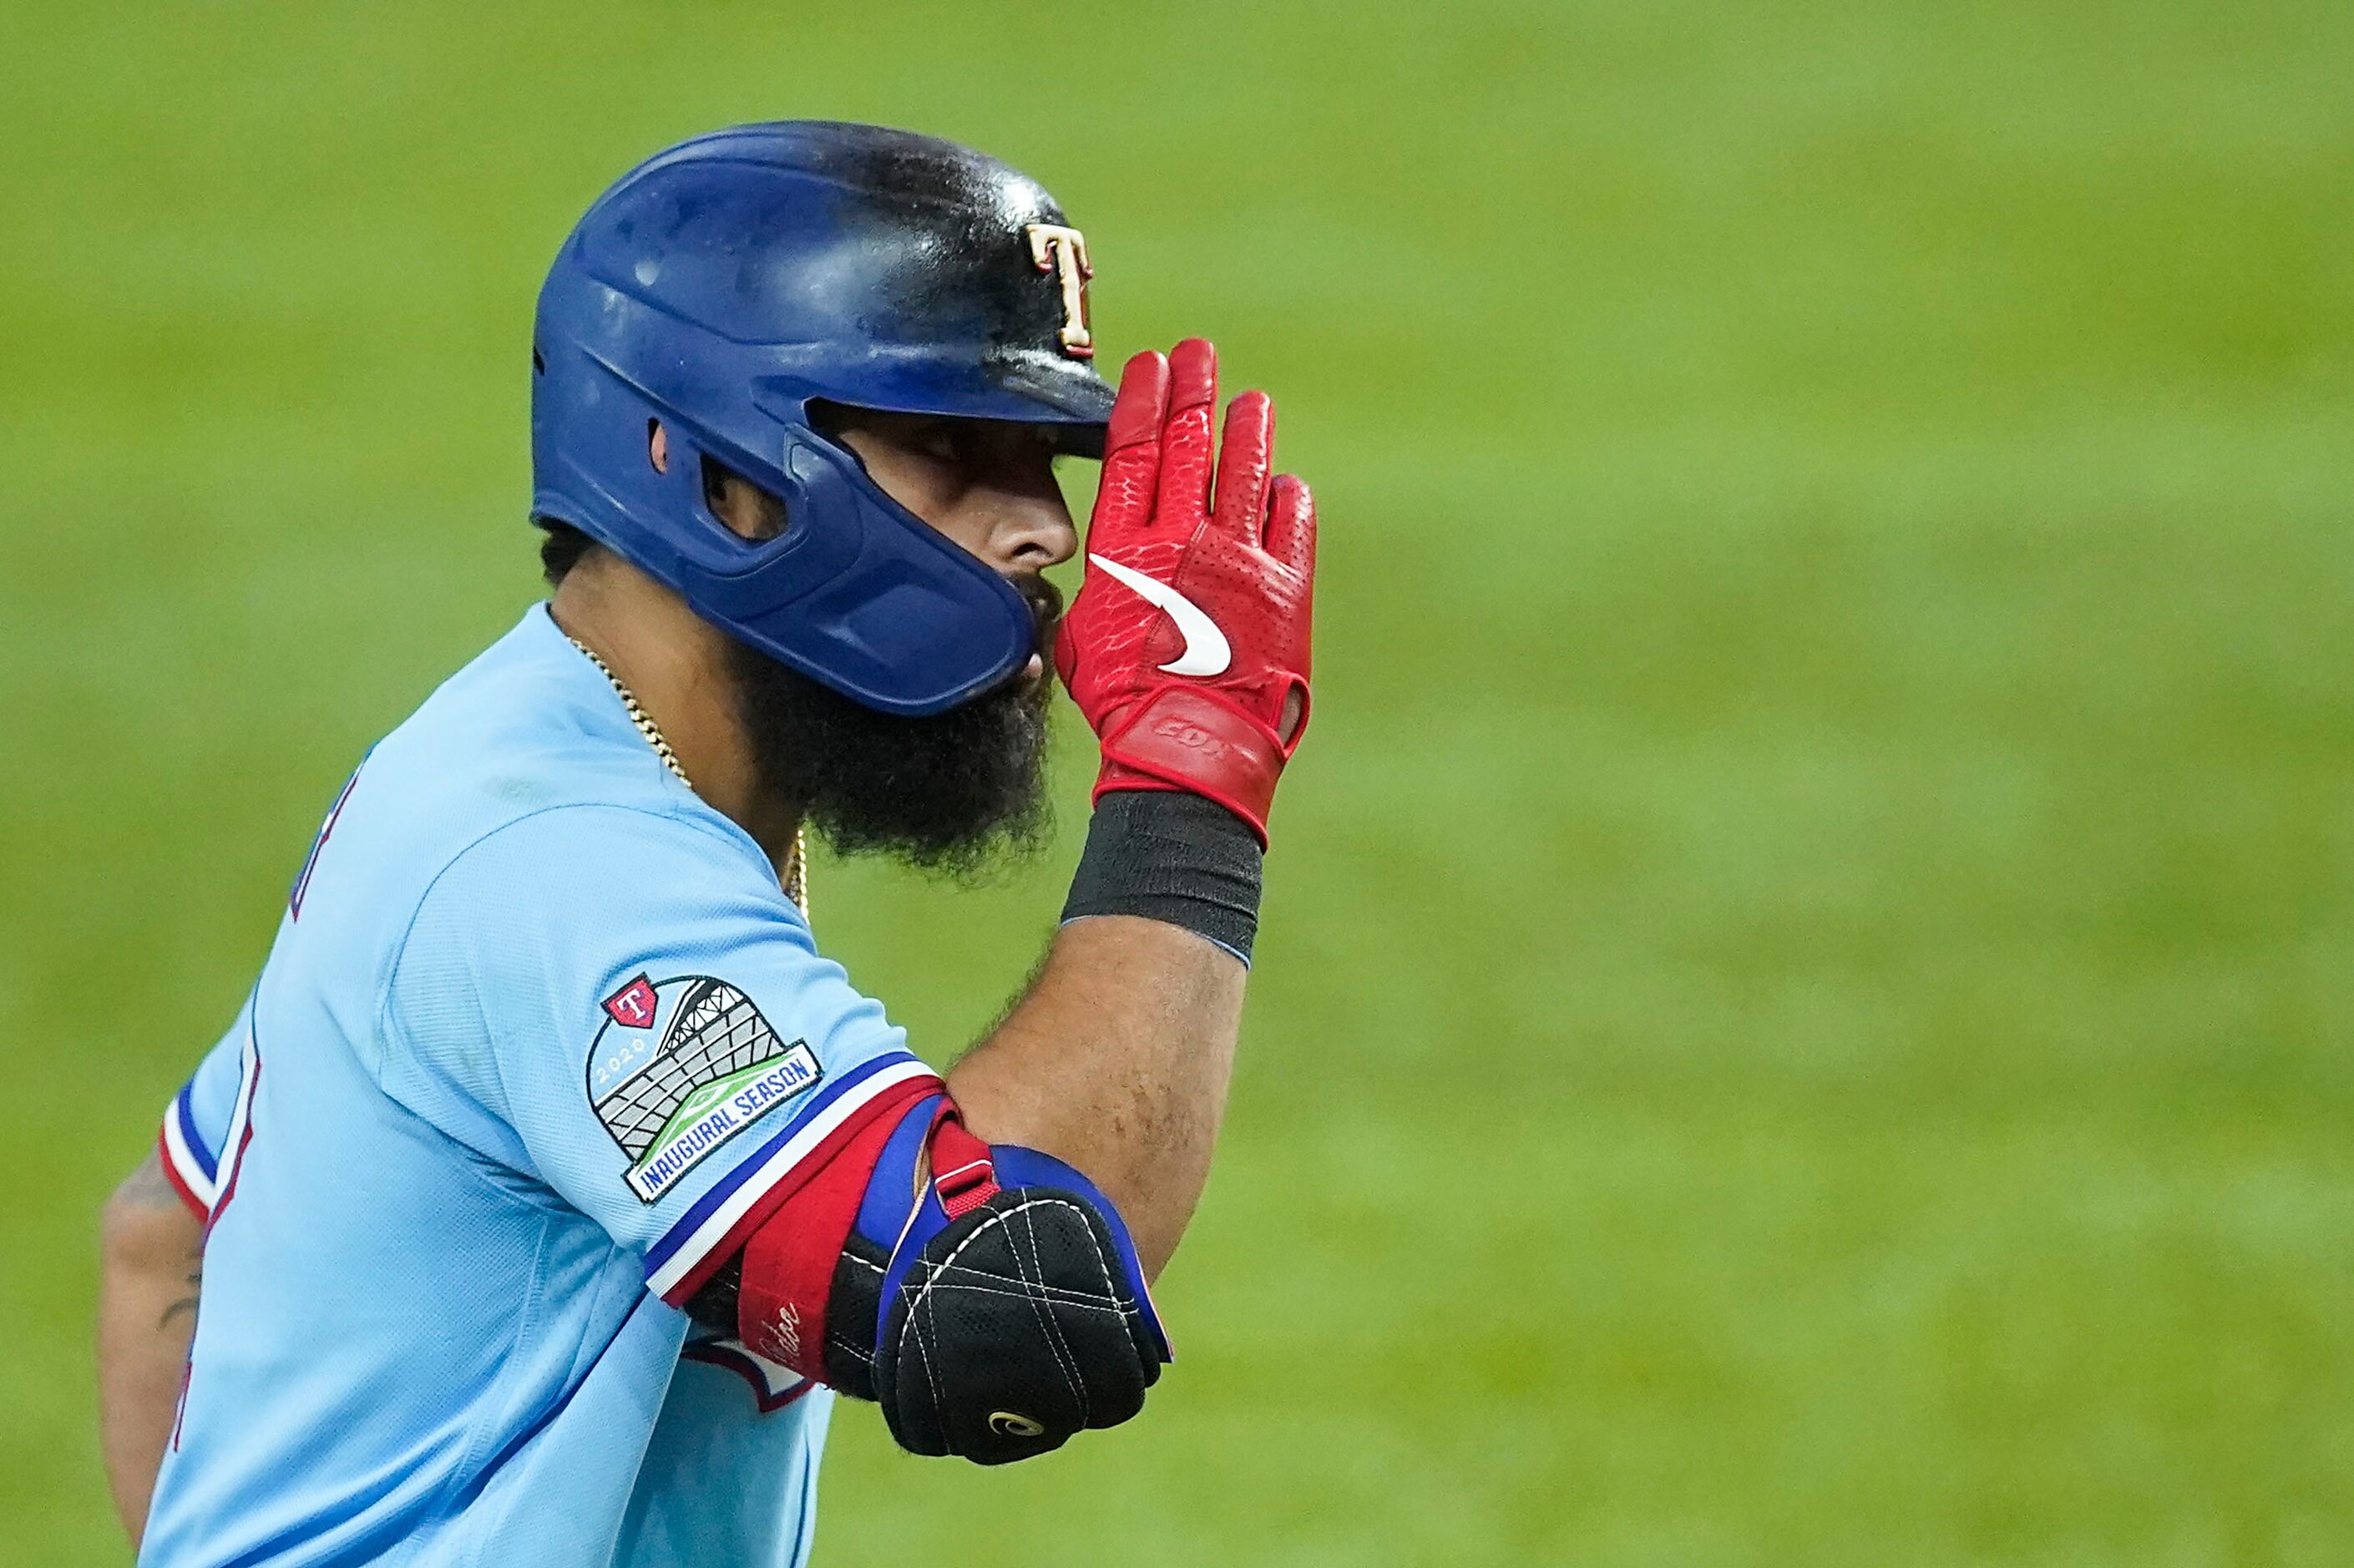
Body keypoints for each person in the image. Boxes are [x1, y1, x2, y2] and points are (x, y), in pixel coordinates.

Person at [94, 121, 1316, 1566]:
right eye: (948, 446)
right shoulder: (557, 863)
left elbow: (160, 1234)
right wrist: (1193, 773)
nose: (1046, 530)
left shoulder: (523, 753)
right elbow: (1013, 1300)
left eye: (1042, 459)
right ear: (701, 463)